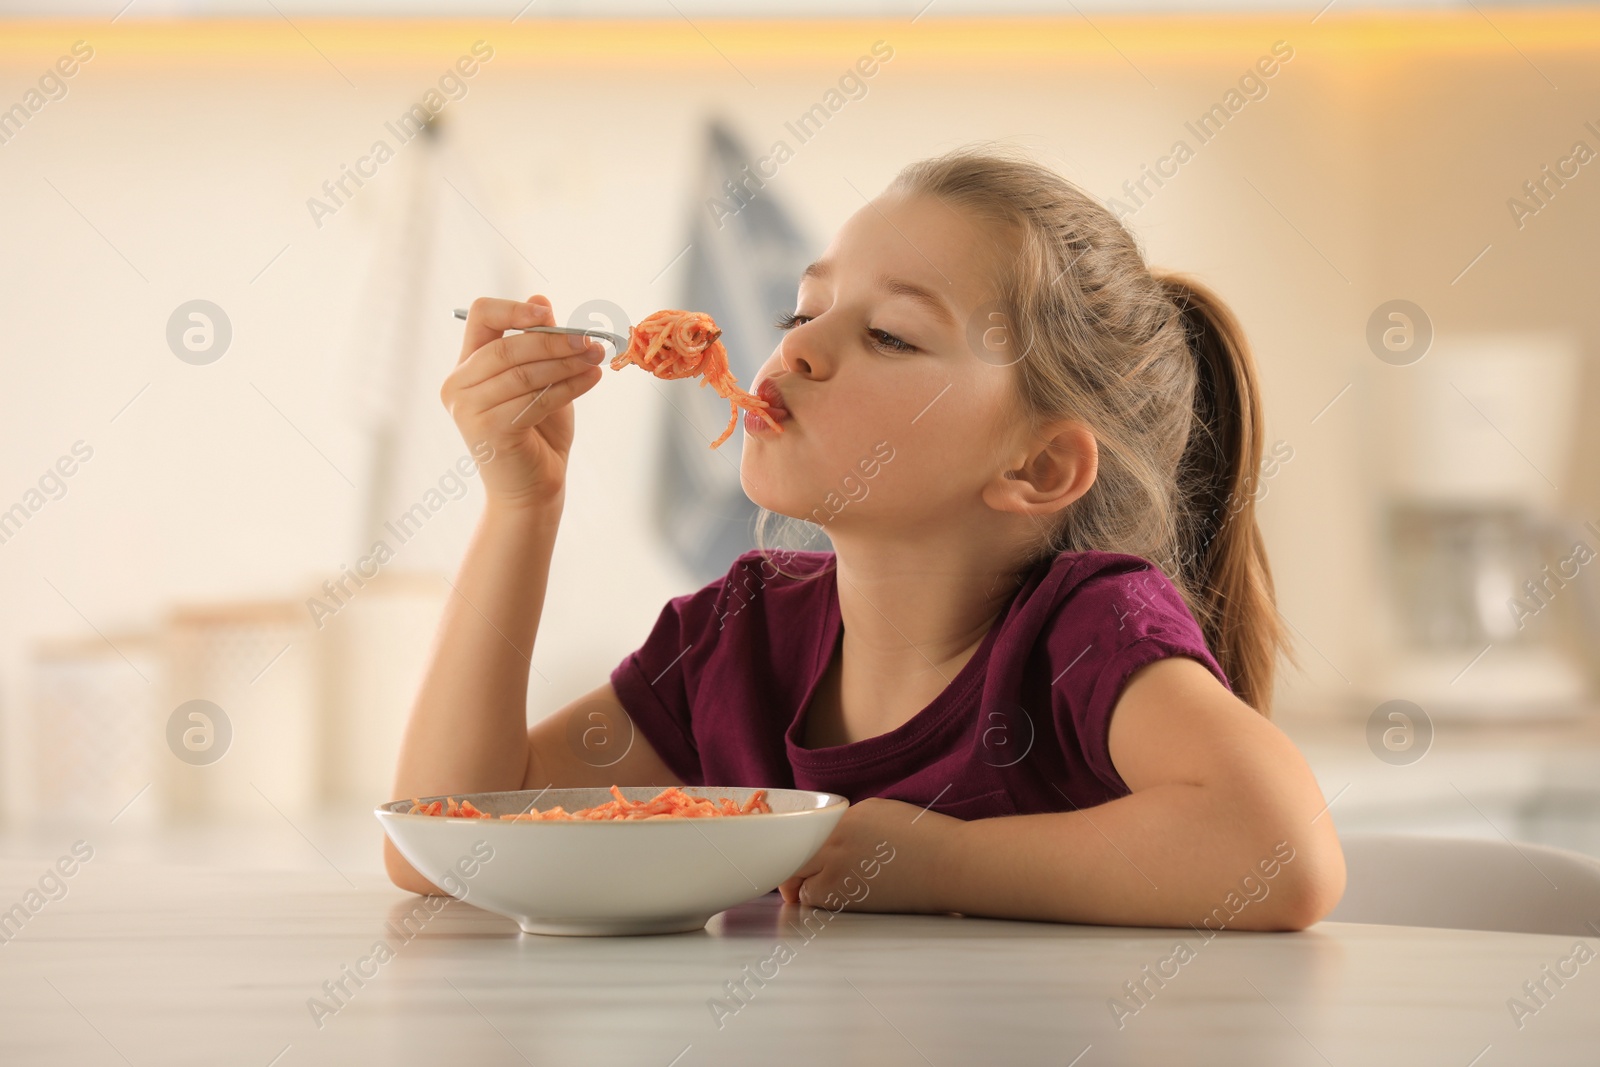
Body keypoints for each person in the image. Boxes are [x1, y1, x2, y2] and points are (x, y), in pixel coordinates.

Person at [386, 144, 1345, 930]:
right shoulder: (737, 639)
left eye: (890, 334)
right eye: (801, 309)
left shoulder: (1085, 635)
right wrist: (522, 508)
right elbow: (446, 841)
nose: (794, 347)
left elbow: (1285, 851)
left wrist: (943, 862)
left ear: (1038, 468)